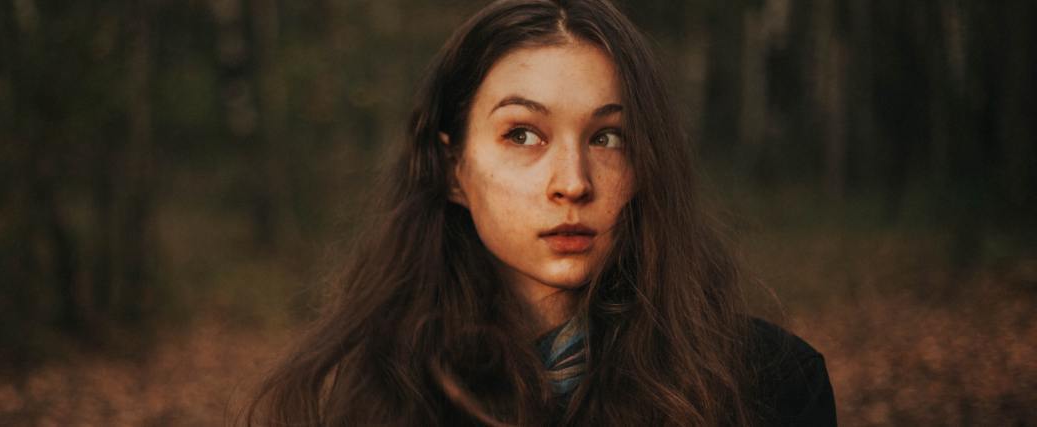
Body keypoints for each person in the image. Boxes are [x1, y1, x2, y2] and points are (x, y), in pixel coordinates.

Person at [243, 0, 836, 425]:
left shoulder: (769, 385)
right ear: (454, 171)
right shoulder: (377, 393)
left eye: (608, 138)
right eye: (523, 134)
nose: (573, 184)